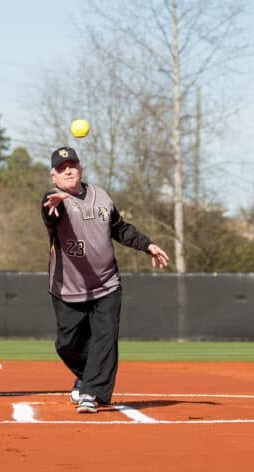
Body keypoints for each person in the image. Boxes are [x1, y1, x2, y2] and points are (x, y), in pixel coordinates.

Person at [41, 146, 169, 414]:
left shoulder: (101, 196)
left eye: (72, 165)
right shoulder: (56, 200)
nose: (68, 170)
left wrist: (148, 245)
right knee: (67, 345)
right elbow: (50, 214)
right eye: (62, 168)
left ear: (80, 168)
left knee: (105, 338)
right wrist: (51, 206)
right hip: (68, 287)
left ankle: (91, 392)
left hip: (106, 283)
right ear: (54, 175)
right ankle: (89, 376)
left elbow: (120, 228)